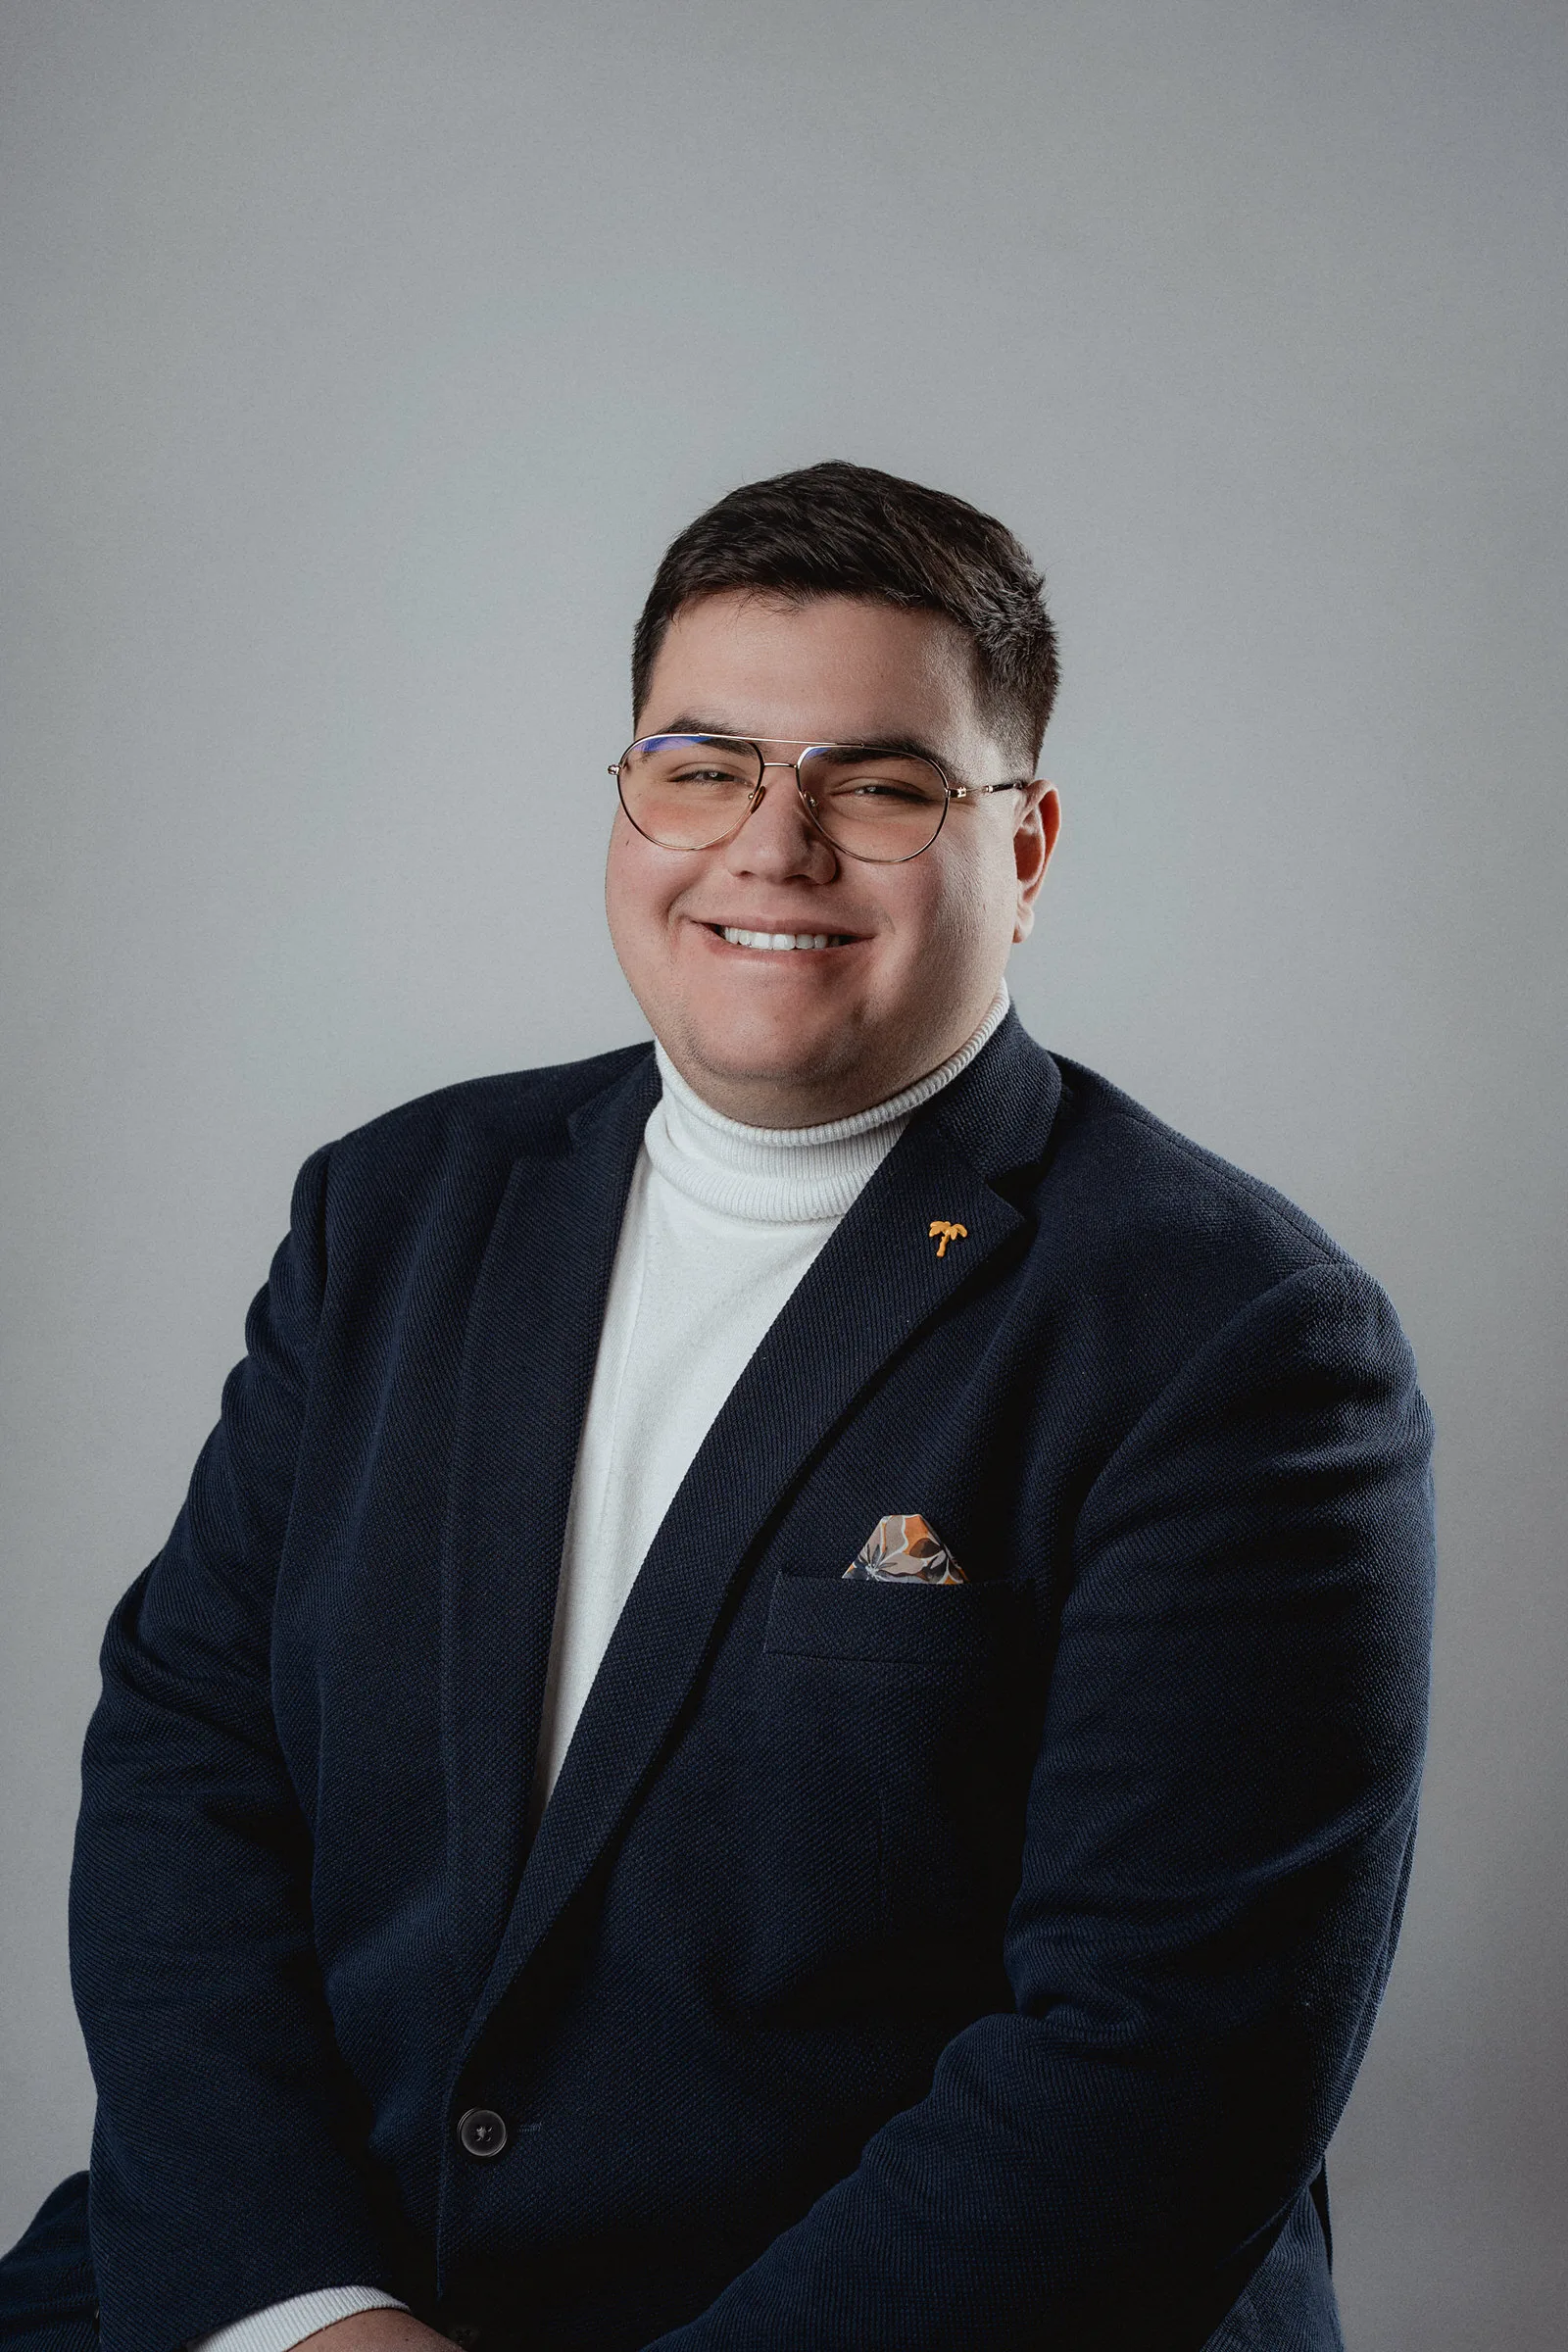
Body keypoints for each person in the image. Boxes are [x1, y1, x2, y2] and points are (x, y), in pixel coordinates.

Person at [0, 462, 1435, 2352]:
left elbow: (1159, 2066)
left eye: (881, 784)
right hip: (335, 2255)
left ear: (1024, 849)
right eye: (702, 768)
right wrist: (302, 2309)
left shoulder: (1237, 1341)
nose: (774, 847)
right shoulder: (397, 1211)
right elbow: (189, 1767)